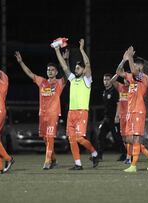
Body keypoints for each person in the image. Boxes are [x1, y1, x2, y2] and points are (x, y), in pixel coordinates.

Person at [15, 51, 66, 170]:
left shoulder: (59, 83)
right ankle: (53, 159)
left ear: (57, 72)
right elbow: (29, 73)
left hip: (53, 114)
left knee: (50, 137)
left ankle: (47, 161)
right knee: (45, 138)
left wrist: (66, 60)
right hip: (42, 114)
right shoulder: (42, 81)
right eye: (48, 69)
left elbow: (67, 73)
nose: (50, 71)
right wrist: (21, 62)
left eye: (52, 70)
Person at [53, 39, 98, 170]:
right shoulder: (73, 79)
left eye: (78, 68)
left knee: (79, 138)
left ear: (84, 70)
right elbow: (64, 66)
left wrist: (82, 49)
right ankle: (78, 163)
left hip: (82, 112)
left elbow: (88, 64)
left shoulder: (87, 80)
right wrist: (57, 50)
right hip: (71, 113)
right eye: (76, 68)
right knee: (71, 139)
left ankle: (94, 153)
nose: (76, 69)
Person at [115, 46, 148, 173]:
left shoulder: (144, 77)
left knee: (136, 139)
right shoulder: (131, 78)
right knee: (129, 139)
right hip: (130, 111)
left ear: (141, 67)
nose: (135, 66)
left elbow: (133, 70)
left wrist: (130, 58)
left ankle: (133, 165)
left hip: (138, 110)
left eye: (138, 65)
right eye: (135, 64)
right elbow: (118, 72)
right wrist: (123, 60)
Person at [97, 73, 125, 161]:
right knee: (100, 135)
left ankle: (125, 154)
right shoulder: (104, 92)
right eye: (104, 80)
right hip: (106, 119)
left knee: (117, 138)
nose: (106, 82)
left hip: (114, 119)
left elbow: (118, 103)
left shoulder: (114, 91)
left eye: (107, 79)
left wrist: (117, 116)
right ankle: (99, 155)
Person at [111, 75, 132, 164]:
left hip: (130, 116)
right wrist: (119, 73)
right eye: (125, 78)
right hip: (122, 116)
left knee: (128, 138)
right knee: (123, 138)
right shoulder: (121, 87)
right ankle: (129, 155)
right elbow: (112, 81)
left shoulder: (133, 87)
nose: (126, 80)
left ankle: (129, 157)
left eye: (127, 78)